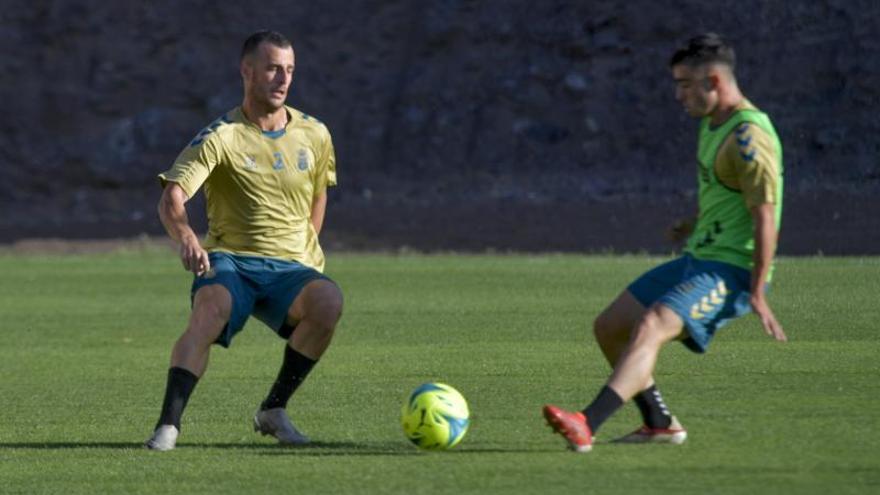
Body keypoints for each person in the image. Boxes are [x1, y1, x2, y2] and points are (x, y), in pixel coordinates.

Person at [543, 33, 786, 453]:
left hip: (731, 271)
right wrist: (693, 223)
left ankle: (587, 421)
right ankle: (659, 424)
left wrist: (758, 289)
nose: (679, 94)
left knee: (653, 325)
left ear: (714, 80)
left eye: (686, 84)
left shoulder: (749, 137)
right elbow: (732, 195)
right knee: (610, 326)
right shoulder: (715, 124)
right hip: (700, 257)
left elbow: (765, 213)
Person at [145, 30, 343, 451]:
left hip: (290, 266)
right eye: (272, 68)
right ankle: (167, 427)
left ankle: (273, 410)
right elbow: (172, 197)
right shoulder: (222, 135)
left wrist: (307, 248)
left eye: (289, 70)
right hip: (232, 258)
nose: (282, 78)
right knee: (210, 308)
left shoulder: (315, 133)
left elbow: (319, 193)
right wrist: (186, 237)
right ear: (247, 70)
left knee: (329, 302)